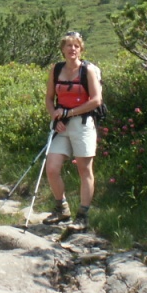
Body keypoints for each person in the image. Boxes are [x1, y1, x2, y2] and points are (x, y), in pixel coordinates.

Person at [43, 31, 101, 230]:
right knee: (52, 168)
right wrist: (54, 115)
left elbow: (96, 100)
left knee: (84, 170)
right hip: (61, 125)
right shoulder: (56, 69)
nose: (72, 49)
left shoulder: (88, 71)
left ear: (81, 49)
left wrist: (69, 112)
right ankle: (62, 209)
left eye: (76, 46)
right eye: (69, 45)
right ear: (62, 49)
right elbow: (49, 98)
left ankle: (82, 216)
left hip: (82, 125)